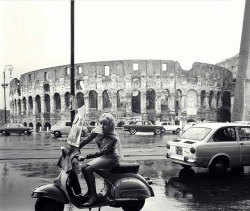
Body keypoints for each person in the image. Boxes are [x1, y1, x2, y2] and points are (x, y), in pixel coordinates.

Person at [79, 113, 123, 206]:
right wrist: (75, 147)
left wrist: (86, 157)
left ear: (110, 125)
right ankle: (90, 192)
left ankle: (94, 196)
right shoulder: (98, 130)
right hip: (104, 157)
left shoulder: (113, 137)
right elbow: (87, 139)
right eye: (101, 123)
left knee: (88, 169)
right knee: (83, 168)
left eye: (105, 124)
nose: (102, 126)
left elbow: (102, 152)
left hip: (111, 158)